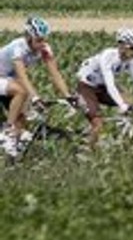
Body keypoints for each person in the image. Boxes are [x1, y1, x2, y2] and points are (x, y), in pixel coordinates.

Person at [0, 16, 77, 156]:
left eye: (45, 39)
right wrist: (35, 98)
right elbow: (22, 76)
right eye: (39, 40)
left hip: (8, 81)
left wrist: (68, 96)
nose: (43, 43)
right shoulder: (18, 47)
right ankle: (7, 130)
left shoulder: (45, 49)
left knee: (21, 120)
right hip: (6, 80)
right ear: (29, 38)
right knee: (21, 91)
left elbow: (55, 74)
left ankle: (12, 155)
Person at [73, 28, 133, 149]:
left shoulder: (131, 61)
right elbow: (110, 84)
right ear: (121, 46)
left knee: (128, 99)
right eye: (132, 48)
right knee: (98, 123)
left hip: (101, 86)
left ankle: (123, 133)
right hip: (87, 87)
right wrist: (121, 105)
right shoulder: (108, 56)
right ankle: (87, 153)